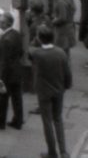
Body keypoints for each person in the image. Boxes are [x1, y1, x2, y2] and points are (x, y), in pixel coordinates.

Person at [29, 25, 72, 158]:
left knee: (47, 122)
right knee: (58, 119)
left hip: (44, 92)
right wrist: (66, 86)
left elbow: (27, 50)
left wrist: (35, 41)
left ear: (40, 38)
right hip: (59, 90)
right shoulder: (60, 52)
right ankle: (63, 151)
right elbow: (67, 73)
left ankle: (52, 152)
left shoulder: (36, 54)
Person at [0, 12, 24, 129]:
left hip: (8, 74)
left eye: (0, 21)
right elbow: (20, 52)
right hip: (16, 71)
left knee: (1, 99)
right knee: (17, 98)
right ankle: (18, 120)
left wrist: (1, 78)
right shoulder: (15, 34)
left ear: (6, 24)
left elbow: (4, 62)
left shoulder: (5, 40)